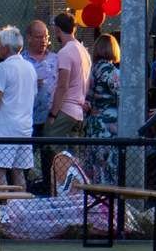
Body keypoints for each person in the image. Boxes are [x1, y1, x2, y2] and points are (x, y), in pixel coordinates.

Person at [0, 26, 36, 187]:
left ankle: (3, 204)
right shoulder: (30, 67)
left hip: (4, 129)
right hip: (25, 128)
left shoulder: (3, 67)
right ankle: (20, 203)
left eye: (0, 45)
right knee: (18, 171)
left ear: (6, 47)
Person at [44, 13, 92, 148]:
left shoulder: (65, 52)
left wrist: (53, 115)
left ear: (57, 29)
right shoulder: (84, 51)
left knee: (49, 147)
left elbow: (62, 86)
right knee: (70, 156)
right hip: (78, 113)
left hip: (65, 110)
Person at [83, 33, 122, 186]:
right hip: (109, 124)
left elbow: (87, 96)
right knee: (108, 163)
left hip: (93, 122)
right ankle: (108, 194)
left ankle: (95, 193)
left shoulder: (91, 70)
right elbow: (121, 95)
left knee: (95, 162)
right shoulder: (111, 72)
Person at [24, 19, 58, 178]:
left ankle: (48, 187)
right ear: (29, 38)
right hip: (28, 119)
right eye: (39, 37)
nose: (43, 40)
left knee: (49, 161)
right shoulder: (22, 60)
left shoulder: (56, 59)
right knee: (24, 160)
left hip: (50, 119)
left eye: (46, 36)